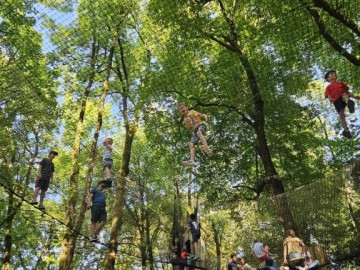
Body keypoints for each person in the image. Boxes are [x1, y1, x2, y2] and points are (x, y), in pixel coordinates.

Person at [324, 70, 360, 138]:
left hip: (343, 96)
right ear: (327, 79)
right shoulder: (328, 87)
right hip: (336, 101)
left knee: (344, 95)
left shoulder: (341, 83)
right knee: (341, 115)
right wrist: (330, 99)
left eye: (335, 74)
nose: (334, 75)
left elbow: (347, 91)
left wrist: (354, 96)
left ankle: (349, 103)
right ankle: (346, 130)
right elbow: (328, 95)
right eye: (331, 74)